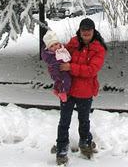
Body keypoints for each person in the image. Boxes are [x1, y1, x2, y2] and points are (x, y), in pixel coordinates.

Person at [55, 18, 107, 165]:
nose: (85, 34)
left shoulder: (98, 48)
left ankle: (85, 142)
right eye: (83, 31)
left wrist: (70, 67)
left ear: (93, 31)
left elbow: (91, 70)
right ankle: (61, 148)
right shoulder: (73, 42)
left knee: (84, 121)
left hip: (85, 91)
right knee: (64, 121)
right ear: (79, 31)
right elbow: (62, 54)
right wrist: (55, 48)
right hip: (68, 89)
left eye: (88, 31)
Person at [41, 30, 72, 102]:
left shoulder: (62, 50)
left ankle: (56, 89)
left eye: (56, 44)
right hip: (57, 70)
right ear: (48, 48)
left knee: (59, 81)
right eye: (51, 46)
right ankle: (63, 92)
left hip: (60, 69)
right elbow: (54, 61)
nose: (55, 47)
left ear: (59, 44)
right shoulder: (50, 55)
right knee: (66, 79)